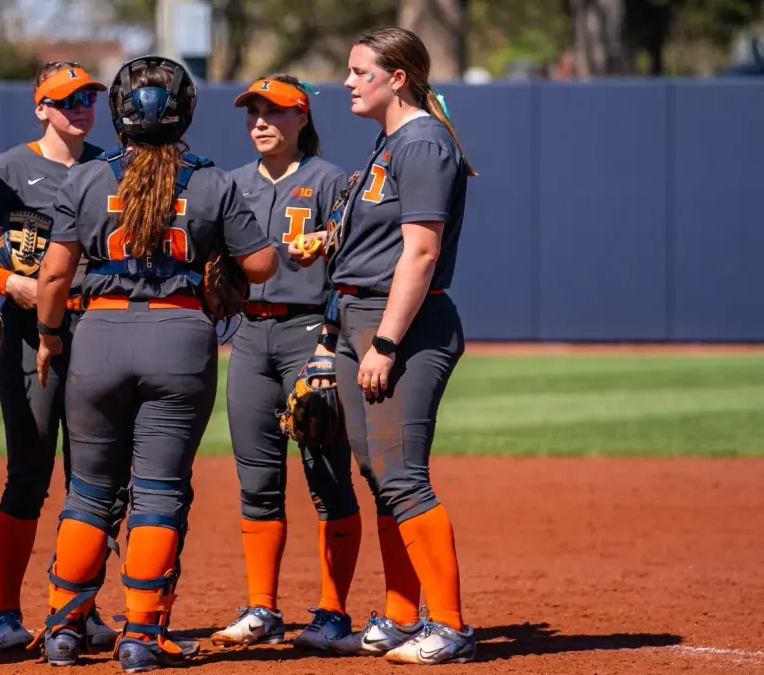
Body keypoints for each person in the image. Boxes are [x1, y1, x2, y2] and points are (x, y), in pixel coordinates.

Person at [31, 56, 278, 672]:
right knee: (160, 492)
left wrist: (48, 335)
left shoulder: (87, 179)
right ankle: (140, 637)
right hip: (179, 337)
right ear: (184, 111)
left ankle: (64, 630)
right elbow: (263, 267)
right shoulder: (212, 181)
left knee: (88, 490)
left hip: (99, 335)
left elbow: (56, 273)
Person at [289, 27, 478, 665]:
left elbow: (421, 254)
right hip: (359, 318)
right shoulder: (391, 139)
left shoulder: (422, 142)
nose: (347, 81)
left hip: (402, 325)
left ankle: (449, 626)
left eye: (360, 71)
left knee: (402, 476)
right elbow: (380, 237)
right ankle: (401, 616)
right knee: (378, 476)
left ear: (397, 77)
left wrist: (387, 342)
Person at [0, 60, 120, 653]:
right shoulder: (7, 169)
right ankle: (5, 611)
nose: (80, 105)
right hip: (31, 337)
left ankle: (80, 606)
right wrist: (6, 283)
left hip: (100, 332)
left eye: (87, 97)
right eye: (66, 98)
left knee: (94, 477)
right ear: (40, 107)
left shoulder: (111, 168)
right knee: (28, 473)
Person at [210, 74, 362, 651]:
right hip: (250, 336)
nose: (260, 122)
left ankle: (332, 612)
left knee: (327, 477)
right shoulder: (230, 183)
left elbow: (356, 265)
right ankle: (262, 609)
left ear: (302, 117)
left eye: (274, 112)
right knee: (257, 482)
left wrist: (332, 342)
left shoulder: (331, 181)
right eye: (252, 112)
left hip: (308, 335)